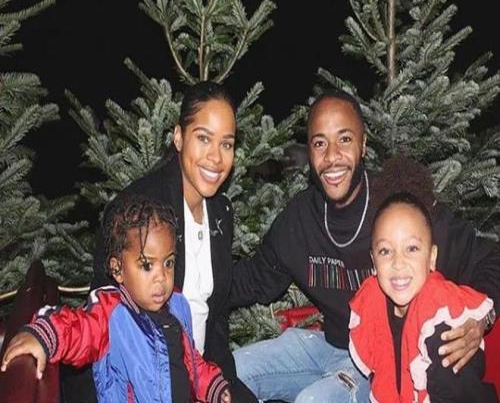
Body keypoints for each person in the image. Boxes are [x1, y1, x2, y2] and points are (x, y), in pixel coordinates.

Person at [231, 90, 500, 402]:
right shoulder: (299, 219)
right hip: (325, 345)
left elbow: (489, 260)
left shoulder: (399, 212)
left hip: (379, 362)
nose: (332, 156)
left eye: (344, 139)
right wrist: (191, 283)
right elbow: (252, 280)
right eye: (320, 143)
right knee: (233, 370)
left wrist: (481, 319)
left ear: (363, 144)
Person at [88, 81, 256, 402]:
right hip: (147, 386)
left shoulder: (221, 211)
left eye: (226, 144)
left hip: (203, 373)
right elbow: (105, 314)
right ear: (179, 137)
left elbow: (217, 315)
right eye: (203, 138)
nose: (216, 157)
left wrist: (222, 382)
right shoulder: (138, 213)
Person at [1, 195, 232, 403]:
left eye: (168, 262)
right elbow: (78, 329)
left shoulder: (177, 306)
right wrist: (44, 336)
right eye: (147, 265)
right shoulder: (113, 314)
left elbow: (190, 361)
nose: (161, 277)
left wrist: (211, 386)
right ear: (118, 269)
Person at [350, 191, 497, 402]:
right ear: (373, 262)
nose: (398, 263)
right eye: (385, 251)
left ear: (432, 257)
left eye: (412, 248)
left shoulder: (445, 331)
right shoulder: (374, 306)